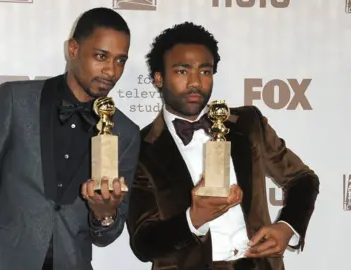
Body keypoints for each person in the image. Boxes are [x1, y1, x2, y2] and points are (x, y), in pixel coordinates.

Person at [0, 7, 140, 270]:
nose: (111, 71)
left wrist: (105, 215)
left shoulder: (124, 132)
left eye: (120, 60)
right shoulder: (16, 101)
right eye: (101, 56)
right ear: (73, 49)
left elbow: (106, 237)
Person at [126, 22, 319, 270]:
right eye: (182, 71)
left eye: (205, 71)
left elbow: (302, 179)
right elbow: (144, 242)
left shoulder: (248, 124)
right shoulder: (140, 148)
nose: (195, 82)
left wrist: (287, 227)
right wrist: (193, 218)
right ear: (159, 78)